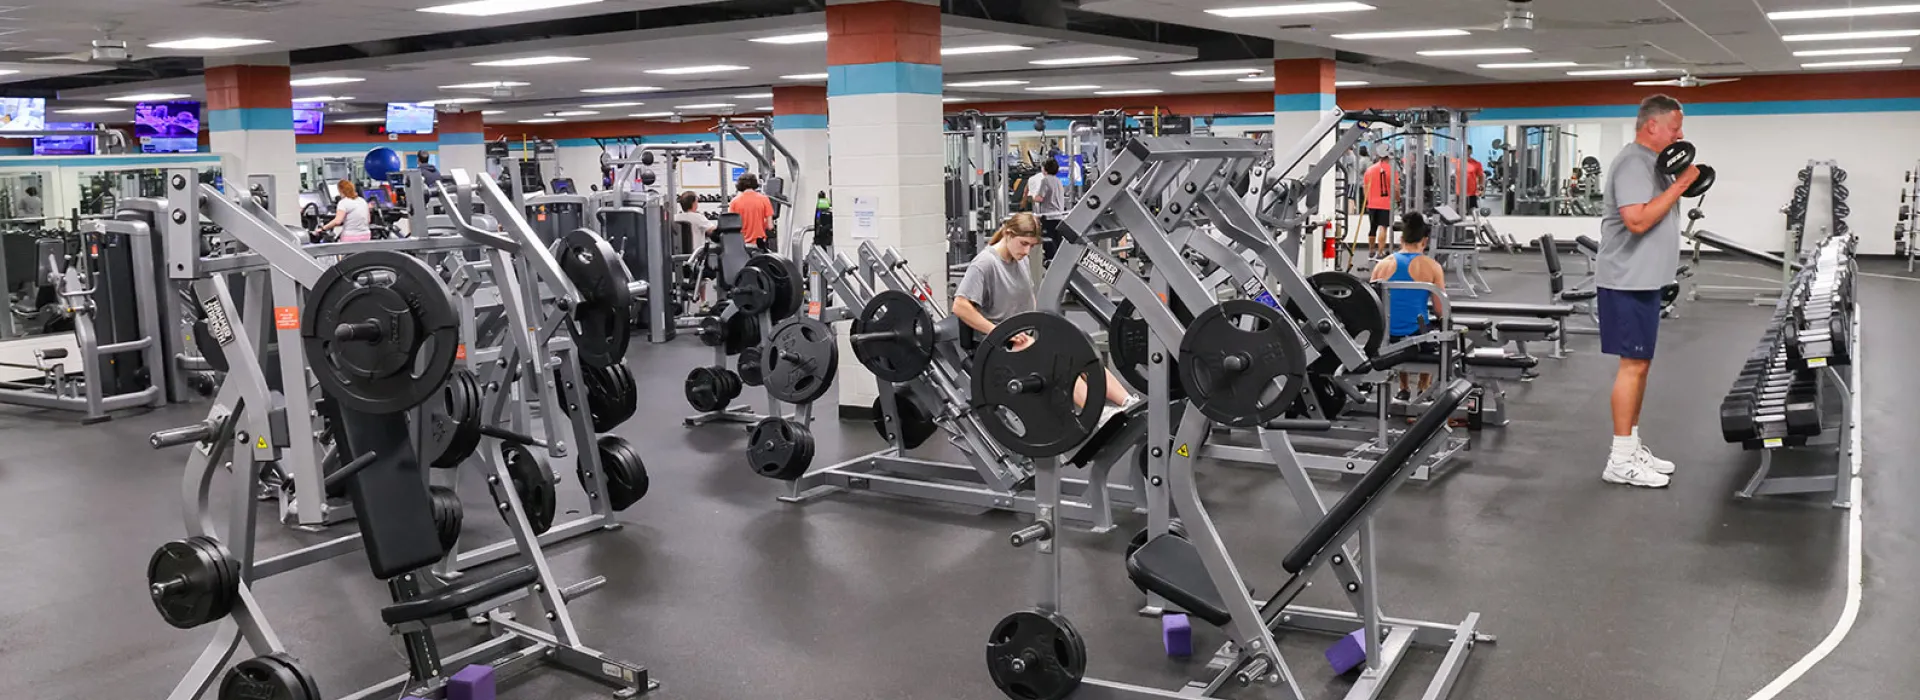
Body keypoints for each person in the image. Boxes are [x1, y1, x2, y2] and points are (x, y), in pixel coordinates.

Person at [1596, 94, 1700, 489]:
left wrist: (1678, 181)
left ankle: (1631, 445)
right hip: (1627, 279)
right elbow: (1637, 221)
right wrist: (1683, 184)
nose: (1681, 134)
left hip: (1643, 279)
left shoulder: (1652, 164)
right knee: (1632, 366)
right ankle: (1620, 460)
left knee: (1641, 365)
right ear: (1652, 126)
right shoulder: (1633, 163)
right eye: (1675, 127)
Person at [953, 213, 1138, 422]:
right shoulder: (985, 264)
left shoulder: (1019, 259)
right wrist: (999, 332)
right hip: (997, 345)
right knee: (1057, 361)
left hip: (1024, 334)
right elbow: (960, 306)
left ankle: (1127, 401)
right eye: (1023, 243)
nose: (1026, 251)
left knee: (1079, 349)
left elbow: (1028, 298)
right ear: (1008, 234)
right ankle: (1096, 412)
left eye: (1031, 246)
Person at [1369, 212, 1446, 399]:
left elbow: (1372, 305)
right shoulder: (1432, 266)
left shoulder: (1382, 265)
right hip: (1417, 338)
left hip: (1387, 338)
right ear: (1425, 241)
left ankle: (1403, 389)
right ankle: (1424, 386)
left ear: (1402, 238)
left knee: (1398, 324)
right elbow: (1440, 310)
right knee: (1431, 329)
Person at [1027, 157, 1069, 263]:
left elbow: (1040, 198)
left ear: (1044, 169)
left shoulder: (1045, 180)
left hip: (1048, 217)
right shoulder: (1058, 181)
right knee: (1056, 243)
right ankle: (1059, 264)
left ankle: (1050, 265)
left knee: (1048, 244)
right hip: (1058, 217)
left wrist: (1031, 197)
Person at [1362, 148, 1398, 260]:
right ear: (1388, 158)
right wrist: (1398, 199)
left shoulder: (1370, 170)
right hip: (1385, 204)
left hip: (1372, 203)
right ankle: (1380, 253)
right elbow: (1396, 188)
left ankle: (1371, 251)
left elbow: (1365, 187)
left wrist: (1368, 200)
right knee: (1383, 227)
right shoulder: (1391, 170)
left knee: (1372, 228)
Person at [729, 172, 775, 250]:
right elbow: (770, 226)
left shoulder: (734, 202)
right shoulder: (764, 199)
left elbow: (731, 226)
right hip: (759, 243)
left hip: (741, 244)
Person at [1458, 146, 1484, 213]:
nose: (1466, 152)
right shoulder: (1456, 162)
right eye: (1465, 150)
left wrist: (1481, 191)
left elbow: (1481, 178)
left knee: (1472, 212)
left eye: (1468, 150)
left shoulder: (1476, 163)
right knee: (1458, 213)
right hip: (1458, 193)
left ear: (1471, 151)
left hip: (1471, 193)